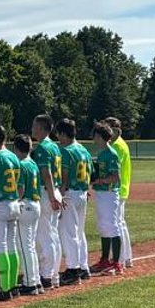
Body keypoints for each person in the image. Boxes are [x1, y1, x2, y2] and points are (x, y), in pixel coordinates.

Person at [0, 124, 22, 300]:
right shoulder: (14, 157)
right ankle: (13, 285)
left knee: (0, 247)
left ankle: (5, 287)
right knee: (12, 245)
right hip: (14, 202)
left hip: (0, 204)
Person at [29, 114, 64, 290]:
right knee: (53, 235)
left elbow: (46, 173)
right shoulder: (55, 147)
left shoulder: (43, 147)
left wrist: (51, 196)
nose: (32, 129)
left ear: (42, 128)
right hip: (55, 190)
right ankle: (54, 274)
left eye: (35, 126)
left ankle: (47, 275)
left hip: (46, 192)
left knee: (44, 236)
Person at [57, 118, 92, 283]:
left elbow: (64, 178)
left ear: (64, 134)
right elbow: (90, 172)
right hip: (82, 193)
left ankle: (73, 269)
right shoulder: (84, 150)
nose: (59, 139)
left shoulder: (66, 151)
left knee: (68, 232)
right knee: (79, 232)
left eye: (59, 135)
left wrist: (59, 195)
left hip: (70, 193)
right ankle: (83, 267)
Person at [91, 123, 125, 274]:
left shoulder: (110, 154)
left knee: (112, 226)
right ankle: (105, 259)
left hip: (109, 194)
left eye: (95, 135)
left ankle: (116, 263)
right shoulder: (102, 152)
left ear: (100, 137)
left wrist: (100, 180)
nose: (93, 138)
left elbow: (115, 177)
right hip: (102, 193)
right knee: (103, 226)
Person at [13, 134, 43, 296]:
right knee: (30, 245)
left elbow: (21, 189)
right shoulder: (33, 163)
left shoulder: (21, 164)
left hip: (25, 206)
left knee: (24, 246)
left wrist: (14, 202)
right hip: (36, 204)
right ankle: (35, 280)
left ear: (16, 148)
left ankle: (30, 282)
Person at [107, 116, 135, 268]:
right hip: (121, 187)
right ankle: (126, 257)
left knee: (117, 223)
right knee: (120, 223)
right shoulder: (119, 144)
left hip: (117, 188)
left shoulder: (116, 146)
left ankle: (122, 258)